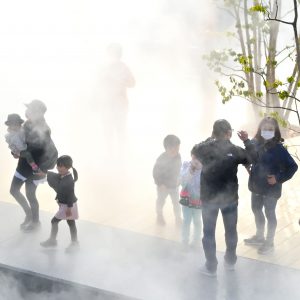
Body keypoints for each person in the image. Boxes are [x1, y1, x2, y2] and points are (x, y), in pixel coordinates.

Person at [194, 119, 250, 277]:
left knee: (209, 233)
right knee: (231, 231)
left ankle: (211, 267)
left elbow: (195, 149)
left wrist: (209, 139)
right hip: (230, 199)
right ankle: (230, 262)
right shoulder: (234, 149)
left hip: (209, 199)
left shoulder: (204, 148)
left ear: (213, 133)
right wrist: (247, 141)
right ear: (229, 133)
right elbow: (251, 158)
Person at [238, 117, 298, 255]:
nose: (267, 131)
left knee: (269, 213)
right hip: (256, 187)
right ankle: (259, 236)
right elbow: (249, 155)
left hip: (271, 189)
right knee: (256, 209)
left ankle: (269, 242)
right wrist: (246, 143)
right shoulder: (255, 142)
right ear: (260, 129)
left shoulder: (279, 148)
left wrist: (278, 178)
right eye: (265, 129)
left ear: (275, 131)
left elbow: (293, 167)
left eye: (270, 129)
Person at [9, 100, 58, 231]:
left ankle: (35, 222)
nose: (27, 111)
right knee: (13, 190)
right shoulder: (26, 124)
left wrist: (44, 170)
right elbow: (19, 142)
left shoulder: (44, 129)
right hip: (23, 165)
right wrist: (15, 152)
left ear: (37, 112)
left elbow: (53, 152)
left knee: (30, 194)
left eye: (30, 109)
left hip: (36, 168)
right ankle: (29, 215)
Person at [99, 43, 135, 153]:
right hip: (108, 103)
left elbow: (132, 83)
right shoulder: (104, 67)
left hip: (120, 104)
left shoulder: (123, 67)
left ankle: (121, 154)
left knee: (120, 130)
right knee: (108, 130)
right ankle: (110, 153)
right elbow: (97, 84)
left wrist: (119, 81)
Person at [40, 155, 79, 252]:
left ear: (68, 167)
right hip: (66, 205)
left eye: (61, 166)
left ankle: (53, 240)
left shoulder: (69, 180)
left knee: (54, 221)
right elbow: (54, 175)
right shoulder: (63, 175)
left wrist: (69, 209)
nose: (58, 168)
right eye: (58, 165)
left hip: (68, 206)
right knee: (71, 223)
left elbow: (70, 194)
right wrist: (45, 173)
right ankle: (74, 243)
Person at [153, 134, 182, 225]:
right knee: (161, 201)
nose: (176, 151)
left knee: (176, 203)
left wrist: (179, 179)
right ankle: (159, 215)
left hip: (174, 186)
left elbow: (179, 169)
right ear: (167, 148)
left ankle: (178, 218)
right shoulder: (161, 159)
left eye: (177, 149)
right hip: (163, 187)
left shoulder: (178, 157)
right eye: (173, 149)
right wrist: (160, 184)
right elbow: (155, 173)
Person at [179, 145, 202, 247]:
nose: (196, 161)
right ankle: (184, 240)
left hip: (199, 200)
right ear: (191, 156)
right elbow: (183, 182)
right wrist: (191, 170)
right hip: (187, 200)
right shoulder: (185, 165)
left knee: (197, 221)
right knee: (186, 220)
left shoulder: (205, 169)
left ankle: (196, 240)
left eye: (199, 158)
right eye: (194, 158)